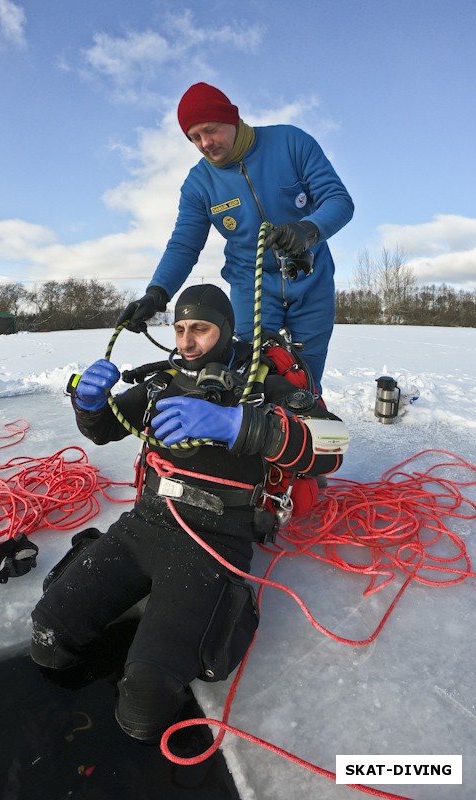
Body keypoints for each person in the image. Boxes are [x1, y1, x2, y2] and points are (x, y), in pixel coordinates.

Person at [30, 284, 348, 743]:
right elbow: (105, 429)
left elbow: (333, 448)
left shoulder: (263, 389)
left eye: (199, 328)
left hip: (215, 540)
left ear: (226, 330)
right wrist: (90, 404)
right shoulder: (162, 382)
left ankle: (231, 610)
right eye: (179, 329)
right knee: (48, 638)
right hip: (146, 523)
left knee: (145, 705)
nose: (186, 341)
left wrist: (242, 425)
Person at [117, 82, 354, 390]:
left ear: (232, 118)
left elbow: (338, 200)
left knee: (306, 373)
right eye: (194, 138)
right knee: (250, 371)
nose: (204, 143)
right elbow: (184, 245)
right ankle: (256, 432)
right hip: (250, 283)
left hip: (310, 276)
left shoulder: (291, 143)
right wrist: (157, 293)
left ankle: (304, 429)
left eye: (210, 130)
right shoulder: (198, 184)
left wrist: (307, 229)